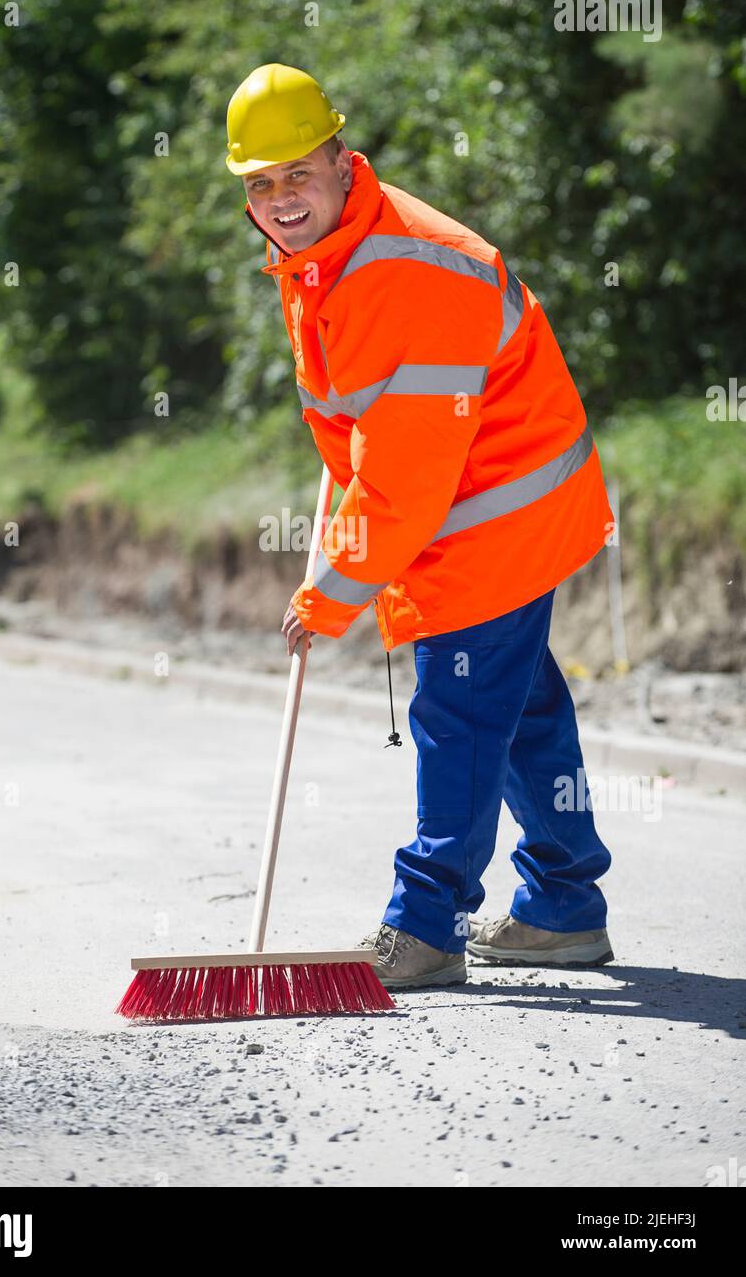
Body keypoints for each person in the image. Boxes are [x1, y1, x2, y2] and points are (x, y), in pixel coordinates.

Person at [226, 62, 614, 988]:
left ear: (339, 158)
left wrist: (328, 597)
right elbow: (368, 423)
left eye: (296, 173)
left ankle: (427, 925)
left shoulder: (397, 270)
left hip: (487, 514)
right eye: (259, 183)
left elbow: (406, 479)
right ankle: (563, 903)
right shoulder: (327, 253)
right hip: (479, 503)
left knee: (457, 715)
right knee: (516, 709)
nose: (280, 197)